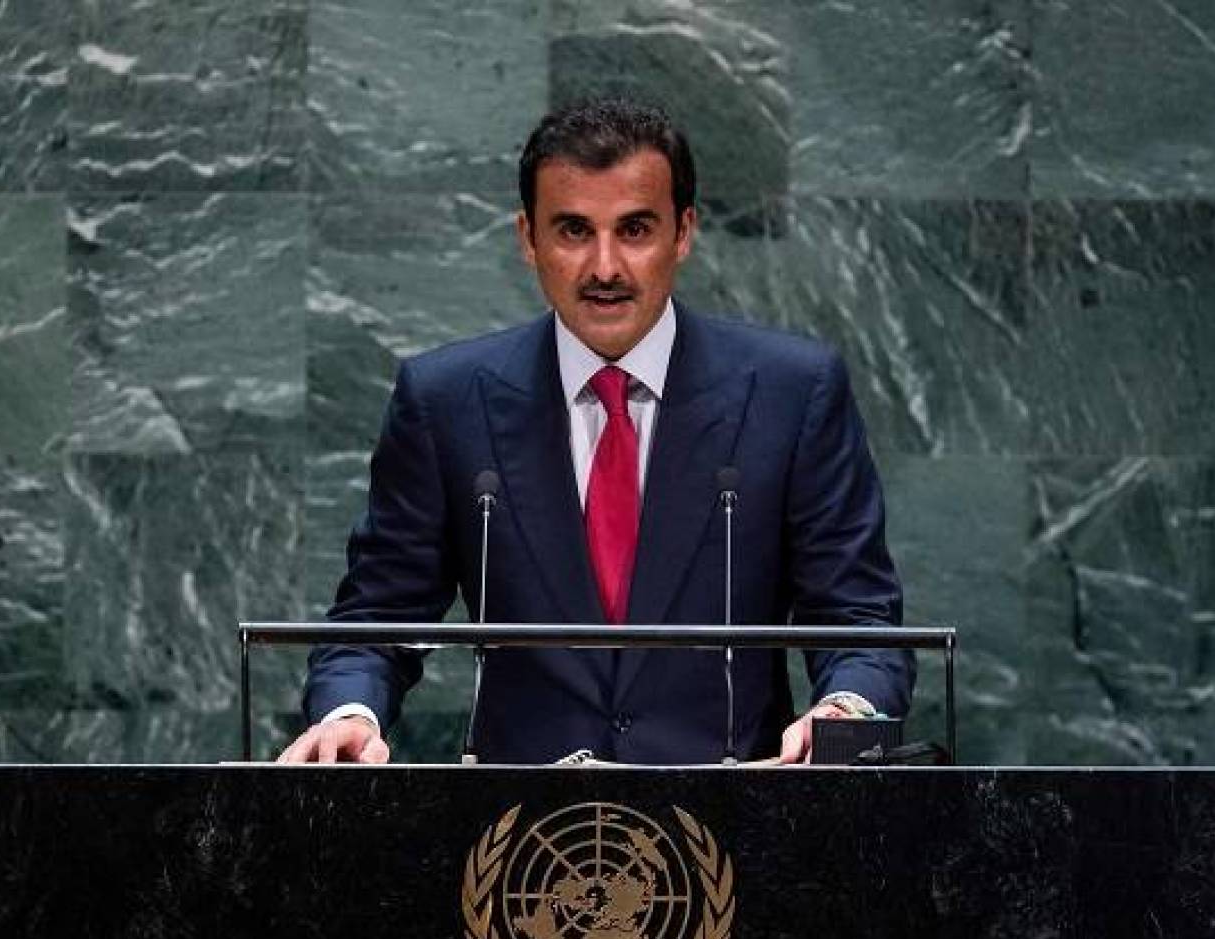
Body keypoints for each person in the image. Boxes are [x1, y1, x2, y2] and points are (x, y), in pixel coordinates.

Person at [278, 98, 912, 766]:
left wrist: (845, 711)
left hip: (734, 810)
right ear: (528, 238)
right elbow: (376, 619)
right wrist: (351, 714)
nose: (605, 268)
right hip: (520, 820)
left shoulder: (792, 392)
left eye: (635, 230)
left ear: (683, 232)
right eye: (574, 231)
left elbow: (858, 617)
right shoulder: (446, 401)